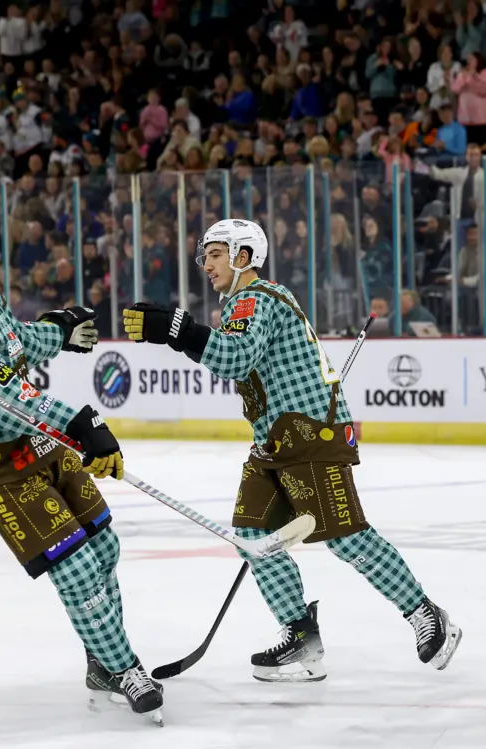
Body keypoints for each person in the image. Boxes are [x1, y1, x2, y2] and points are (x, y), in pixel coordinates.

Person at [122, 219, 461, 682]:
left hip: (308, 437)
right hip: (276, 443)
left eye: (216, 254)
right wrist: (178, 330)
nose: (207, 264)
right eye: (206, 255)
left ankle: (426, 613)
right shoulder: (252, 301)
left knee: (345, 537)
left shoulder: (256, 298)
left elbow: (234, 357)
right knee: (252, 533)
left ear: (244, 257)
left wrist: (175, 329)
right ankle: (300, 634)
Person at [0, 202, 164, 724]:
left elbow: (18, 343)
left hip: (35, 445)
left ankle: (103, 661)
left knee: (104, 545)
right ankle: (123, 667)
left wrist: (57, 331)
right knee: (75, 569)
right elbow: (3, 396)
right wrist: (81, 423)